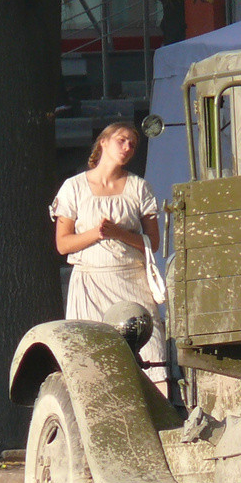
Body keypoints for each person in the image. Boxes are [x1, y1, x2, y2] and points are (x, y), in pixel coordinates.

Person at [50, 122, 168, 385]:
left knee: (149, 352)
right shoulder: (74, 187)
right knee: (93, 357)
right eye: (121, 140)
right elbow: (63, 244)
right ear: (103, 142)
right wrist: (96, 233)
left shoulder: (139, 187)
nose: (127, 147)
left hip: (131, 280)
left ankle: (157, 415)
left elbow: (153, 242)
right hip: (91, 283)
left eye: (132, 144)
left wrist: (118, 233)